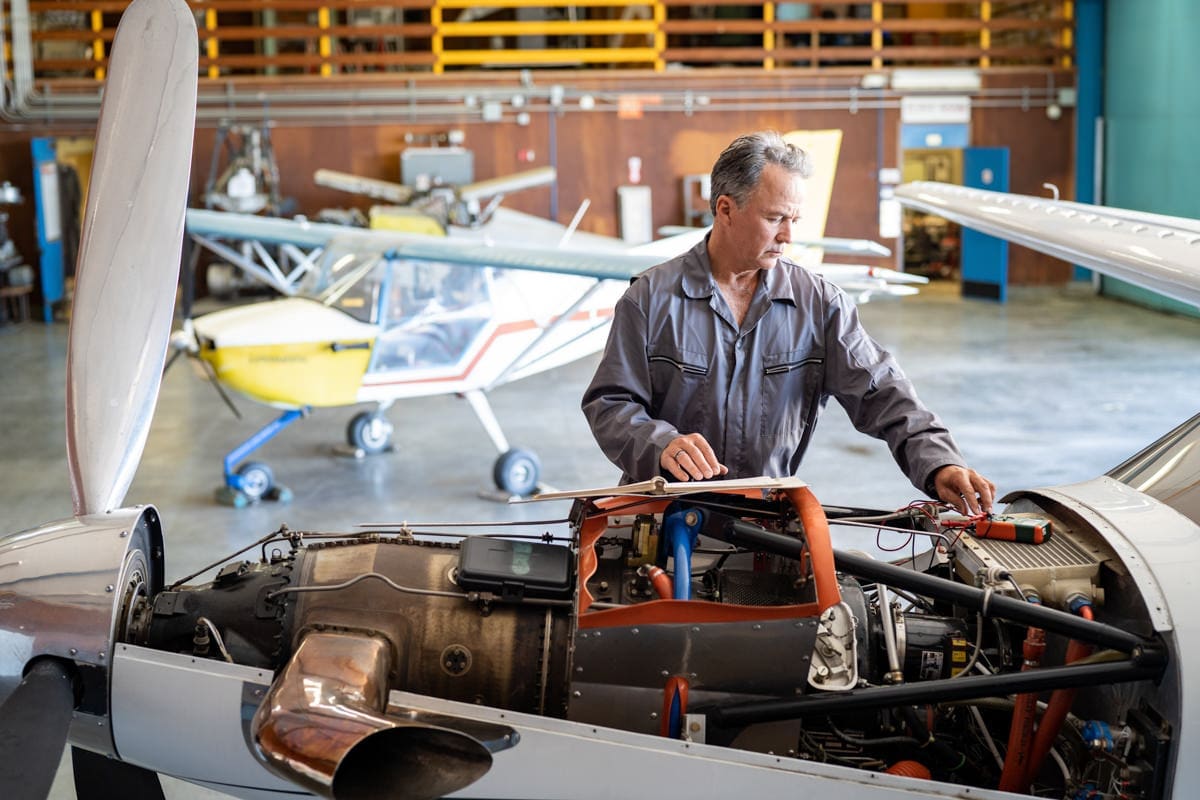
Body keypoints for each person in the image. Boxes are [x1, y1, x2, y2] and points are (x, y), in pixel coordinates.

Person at [581, 131, 994, 516]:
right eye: (776, 218)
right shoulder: (651, 299)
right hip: (665, 514)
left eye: (794, 220)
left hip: (766, 520)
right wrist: (660, 443)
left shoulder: (818, 304)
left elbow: (882, 392)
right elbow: (610, 403)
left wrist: (939, 461)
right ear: (726, 209)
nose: (788, 236)